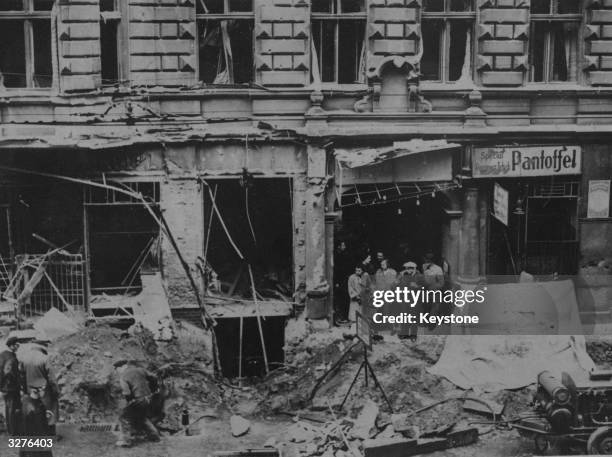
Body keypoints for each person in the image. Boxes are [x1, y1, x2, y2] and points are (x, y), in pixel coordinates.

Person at [114, 360, 161, 447]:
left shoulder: (123, 376)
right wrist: (154, 388)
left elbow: (126, 393)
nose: (117, 371)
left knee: (124, 417)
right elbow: (154, 377)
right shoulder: (140, 370)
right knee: (141, 417)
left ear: (121, 367)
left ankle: (125, 441)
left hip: (138, 400)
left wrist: (130, 401)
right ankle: (155, 436)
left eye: (116, 369)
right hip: (148, 398)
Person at [19, 340, 59, 437]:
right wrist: (55, 391)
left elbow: (21, 376)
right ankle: (50, 434)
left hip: (30, 391)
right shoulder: (45, 359)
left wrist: (25, 390)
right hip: (44, 391)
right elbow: (51, 379)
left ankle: (37, 434)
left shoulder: (24, 359)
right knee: (49, 410)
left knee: (34, 411)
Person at [19, 385, 53, 457]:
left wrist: (44, 414)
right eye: (43, 390)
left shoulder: (28, 401)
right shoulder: (33, 408)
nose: (45, 392)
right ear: (37, 391)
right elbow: (39, 428)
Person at [0, 336, 22, 436]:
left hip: (5, 386)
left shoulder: (2, 355)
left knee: (9, 408)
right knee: (12, 409)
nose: (18, 347)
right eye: (17, 345)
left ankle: (11, 429)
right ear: (12, 345)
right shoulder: (11, 357)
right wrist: (17, 382)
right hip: (11, 387)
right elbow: (7, 371)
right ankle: (13, 431)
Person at [396, 262, 423, 340]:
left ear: (414, 268)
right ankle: (404, 333)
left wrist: (417, 286)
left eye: (410, 268)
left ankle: (413, 335)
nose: (408, 270)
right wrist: (399, 278)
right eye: (406, 268)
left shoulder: (419, 276)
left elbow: (425, 286)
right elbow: (394, 285)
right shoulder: (402, 276)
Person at [334, 240, 352, 324]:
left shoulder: (347, 255)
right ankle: (340, 317)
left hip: (345, 280)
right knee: (340, 299)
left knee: (345, 299)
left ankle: (345, 316)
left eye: (345, 245)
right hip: (340, 280)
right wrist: (337, 281)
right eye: (343, 245)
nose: (344, 247)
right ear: (339, 247)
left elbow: (347, 268)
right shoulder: (337, 255)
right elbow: (337, 270)